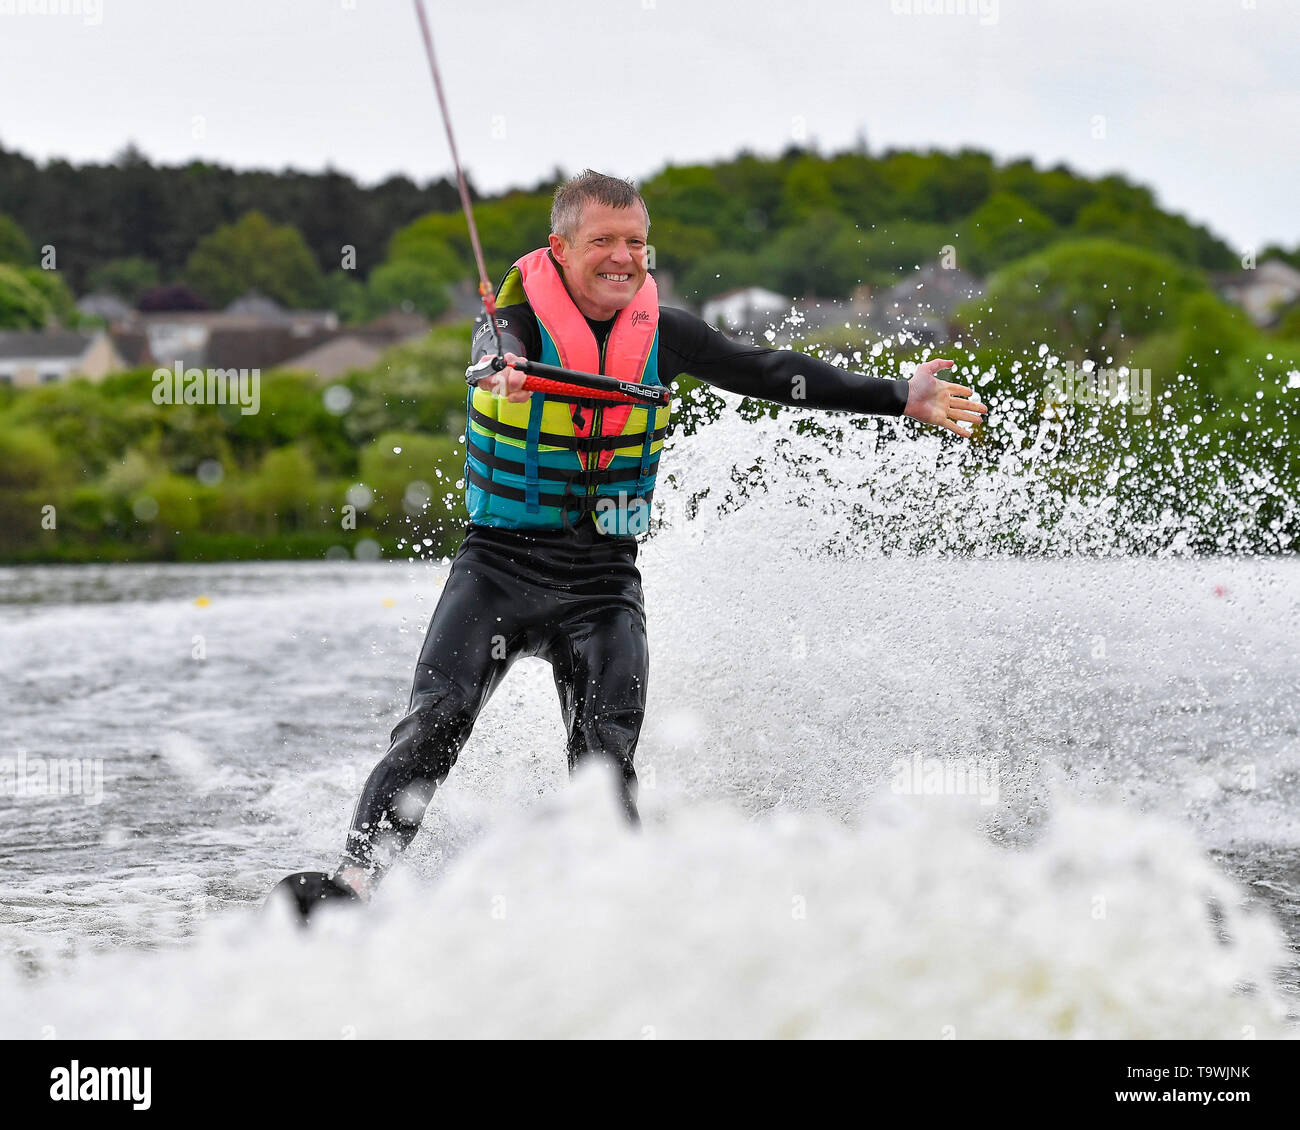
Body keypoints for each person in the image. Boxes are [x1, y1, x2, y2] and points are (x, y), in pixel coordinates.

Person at [332, 170, 986, 899]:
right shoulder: (516, 324)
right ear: (561, 247)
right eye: (603, 241)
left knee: (605, 755)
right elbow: (494, 344)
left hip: (602, 584)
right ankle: (356, 883)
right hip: (497, 571)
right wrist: (502, 372)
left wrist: (901, 396)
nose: (623, 257)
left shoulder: (666, 334)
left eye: (636, 242)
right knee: (437, 723)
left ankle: (614, 898)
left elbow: (770, 371)